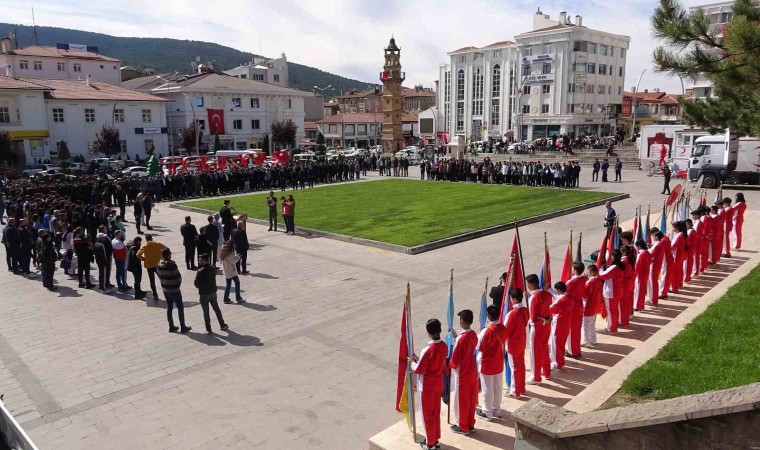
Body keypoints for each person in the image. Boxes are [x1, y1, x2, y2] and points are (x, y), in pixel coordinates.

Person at [409, 318, 447, 450]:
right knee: (435, 413)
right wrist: (418, 360)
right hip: (438, 384)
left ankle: (430, 443)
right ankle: (434, 438)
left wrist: (412, 363)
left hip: (427, 387)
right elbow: (432, 363)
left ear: (428, 332)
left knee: (427, 415)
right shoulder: (444, 345)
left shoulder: (428, 349)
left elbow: (419, 369)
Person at [449, 309, 478, 435]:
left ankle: (462, 426)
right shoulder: (473, 335)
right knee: (471, 400)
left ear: (461, 322)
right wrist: (457, 337)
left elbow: (455, 360)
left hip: (462, 373)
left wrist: (449, 363)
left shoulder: (461, 339)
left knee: (461, 400)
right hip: (472, 371)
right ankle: (470, 423)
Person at [476, 305, 507, 421]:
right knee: (498, 387)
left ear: (488, 316)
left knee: (487, 388)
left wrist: (479, 334)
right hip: (498, 361)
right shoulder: (503, 328)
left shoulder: (486, 331)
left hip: (487, 363)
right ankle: (496, 409)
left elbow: (479, 347)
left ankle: (487, 412)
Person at [156, 248, 192, 333]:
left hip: (165, 289)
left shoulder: (159, 264)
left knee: (169, 307)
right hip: (174, 289)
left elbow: (159, 275)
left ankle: (171, 326)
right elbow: (178, 277)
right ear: (168, 254)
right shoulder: (172, 264)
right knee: (180, 307)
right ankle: (183, 326)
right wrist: (177, 284)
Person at [503, 288, 529, 398]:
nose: (509, 300)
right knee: (520, 366)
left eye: (510, 298)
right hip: (521, 341)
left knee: (515, 368)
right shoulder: (525, 310)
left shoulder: (511, 314)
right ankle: (521, 387)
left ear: (514, 299)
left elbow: (506, 331)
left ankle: (515, 391)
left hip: (513, 344)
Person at [194, 253, 229, 334]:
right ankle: (222, 324)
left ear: (204, 260)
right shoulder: (213, 268)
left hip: (204, 294)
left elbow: (196, 284)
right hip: (213, 292)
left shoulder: (200, 272)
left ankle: (208, 329)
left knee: (206, 312)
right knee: (217, 309)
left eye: (200, 260)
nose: (199, 261)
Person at [526, 274, 551, 384]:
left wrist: (543, 320)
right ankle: (546, 371)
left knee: (535, 353)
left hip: (537, 328)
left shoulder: (534, 298)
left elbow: (533, 318)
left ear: (531, 285)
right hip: (546, 327)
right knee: (545, 348)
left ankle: (536, 377)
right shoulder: (547, 294)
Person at [599, 250, 626, 333]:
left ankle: (611, 329)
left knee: (611, 311)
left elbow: (603, 275)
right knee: (614, 310)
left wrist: (600, 268)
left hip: (612, 292)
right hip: (617, 291)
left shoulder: (614, 267)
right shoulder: (621, 265)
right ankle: (614, 326)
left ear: (613, 257)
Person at [564, 262, 587, 359]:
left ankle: (572, 351)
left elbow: (564, 295)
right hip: (579, 306)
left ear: (575, 270)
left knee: (572, 331)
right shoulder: (583, 279)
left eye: (573, 268)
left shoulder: (571, 282)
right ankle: (576, 350)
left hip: (572, 308)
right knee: (577, 330)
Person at [548, 281, 572, 371]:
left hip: (558, 325)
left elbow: (551, 309)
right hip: (565, 325)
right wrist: (550, 290)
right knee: (561, 345)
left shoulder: (561, 300)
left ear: (559, 290)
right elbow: (558, 297)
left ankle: (557, 364)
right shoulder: (569, 297)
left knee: (556, 345)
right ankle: (560, 362)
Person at [136, 234, 166, 301]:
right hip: (158, 265)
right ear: (152, 238)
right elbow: (166, 248)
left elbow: (137, 254)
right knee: (162, 278)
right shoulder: (157, 244)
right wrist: (162, 256)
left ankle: (155, 294)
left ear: (146, 239)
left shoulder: (145, 246)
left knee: (152, 281)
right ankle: (166, 291)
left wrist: (143, 259)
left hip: (149, 265)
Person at [582, 265, 603, 347]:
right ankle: (593, 340)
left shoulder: (590, 282)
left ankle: (586, 341)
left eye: (588, 271)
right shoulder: (599, 281)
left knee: (585, 324)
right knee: (592, 324)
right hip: (595, 305)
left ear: (592, 272)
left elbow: (584, 294)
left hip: (589, 306)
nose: (587, 273)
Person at [220, 240, 245, 304]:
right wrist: (238, 257)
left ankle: (226, 299)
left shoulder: (223, 251)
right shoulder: (230, 253)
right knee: (237, 283)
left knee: (228, 285)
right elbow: (232, 261)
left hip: (226, 270)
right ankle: (238, 298)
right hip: (231, 271)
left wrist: (235, 256)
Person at [634, 240, 652, 311]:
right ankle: (640, 305)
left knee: (638, 291)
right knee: (642, 291)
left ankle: (638, 306)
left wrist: (635, 274)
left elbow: (637, 266)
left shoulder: (641, 254)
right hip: (645, 274)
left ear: (639, 246)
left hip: (640, 275)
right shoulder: (647, 253)